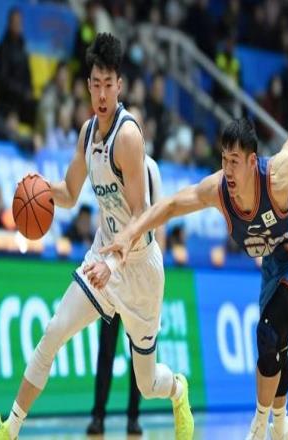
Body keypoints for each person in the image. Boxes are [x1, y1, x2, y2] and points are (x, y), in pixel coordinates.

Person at [0, 32, 193, 440]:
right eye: (95, 84)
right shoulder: (87, 133)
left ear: (120, 85)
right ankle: (10, 428)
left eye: (109, 84)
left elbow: (141, 215)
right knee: (53, 332)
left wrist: (115, 262)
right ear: (87, 86)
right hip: (102, 257)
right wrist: (42, 189)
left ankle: (178, 389)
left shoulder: (128, 137)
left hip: (139, 268)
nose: (102, 94)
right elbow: (71, 194)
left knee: (147, 383)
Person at [102, 117, 288, 440]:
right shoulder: (218, 190)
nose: (228, 169)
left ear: (252, 161)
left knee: (269, 331)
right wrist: (129, 234)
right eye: (224, 160)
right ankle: (281, 427)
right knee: (276, 344)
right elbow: (170, 205)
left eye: (235, 161)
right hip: (276, 263)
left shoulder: (276, 176)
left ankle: (258, 428)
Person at [86, 151, 165, 436]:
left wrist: (157, 273)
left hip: (141, 274)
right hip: (113, 271)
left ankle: (134, 416)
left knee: (139, 351)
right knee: (105, 348)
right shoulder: (109, 162)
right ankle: (98, 415)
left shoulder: (151, 168)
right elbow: (104, 215)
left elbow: (159, 218)